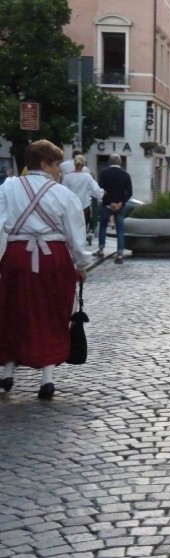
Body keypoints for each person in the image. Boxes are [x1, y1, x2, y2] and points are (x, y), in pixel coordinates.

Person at [0, 139, 89, 400]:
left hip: (16, 257)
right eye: (56, 165)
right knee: (52, 311)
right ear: (45, 164)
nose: (59, 171)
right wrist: (81, 265)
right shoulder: (63, 194)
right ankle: (47, 378)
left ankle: (8, 371)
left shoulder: (8, 187)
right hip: (54, 258)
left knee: (13, 309)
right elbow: (76, 234)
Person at [95, 154, 132, 264]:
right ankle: (119, 254)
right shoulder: (126, 175)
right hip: (120, 207)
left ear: (109, 162)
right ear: (120, 162)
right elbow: (129, 192)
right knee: (120, 229)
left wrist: (110, 203)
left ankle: (101, 249)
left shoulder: (104, 173)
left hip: (107, 205)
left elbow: (101, 190)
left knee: (103, 226)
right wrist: (120, 203)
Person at [62, 155, 104, 245]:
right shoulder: (87, 177)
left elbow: (63, 191)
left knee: (71, 226)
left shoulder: (67, 177)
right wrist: (102, 193)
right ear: (83, 165)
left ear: (74, 164)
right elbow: (96, 190)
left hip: (71, 206)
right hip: (84, 205)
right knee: (82, 226)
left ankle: (71, 243)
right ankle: (80, 244)